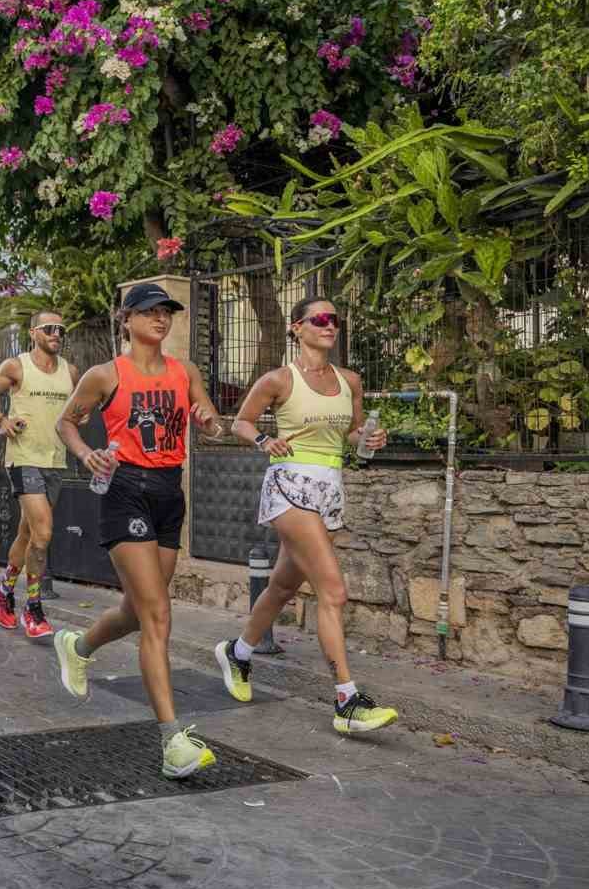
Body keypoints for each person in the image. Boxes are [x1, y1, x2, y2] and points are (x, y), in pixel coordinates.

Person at [51, 282, 224, 780]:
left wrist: (208, 421)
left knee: (136, 610)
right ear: (126, 319)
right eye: (150, 312)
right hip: (125, 488)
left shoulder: (183, 371)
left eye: (166, 312)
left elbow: (210, 424)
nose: (161, 319)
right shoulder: (106, 375)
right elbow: (69, 423)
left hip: (170, 492)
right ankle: (174, 741)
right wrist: (87, 453)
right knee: (157, 614)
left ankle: (78, 647)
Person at [217, 296, 398, 735]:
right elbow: (241, 422)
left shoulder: (349, 380)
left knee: (282, 586)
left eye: (335, 319)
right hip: (289, 485)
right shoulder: (279, 379)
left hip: (329, 488)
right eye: (320, 319)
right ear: (297, 328)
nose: (330, 325)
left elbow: (352, 432)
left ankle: (238, 653)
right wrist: (263, 441)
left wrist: (369, 439)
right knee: (333, 591)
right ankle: (346, 701)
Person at [0, 310, 80, 638]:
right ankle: (33, 609)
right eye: (49, 328)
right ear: (34, 332)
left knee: (28, 533)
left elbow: (78, 411)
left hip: (55, 461)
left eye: (60, 329)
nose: (56, 334)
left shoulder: (71, 372)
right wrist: (3, 422)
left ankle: (4, 590)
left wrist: (80, 417)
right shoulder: (16, 367)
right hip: (23, 459)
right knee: (44, 533)